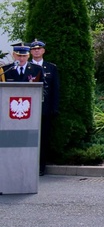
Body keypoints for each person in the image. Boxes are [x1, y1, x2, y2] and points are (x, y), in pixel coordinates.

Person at [28, 39, 59, 175]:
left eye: (39, 49)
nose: (36, 51)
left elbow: (55, 90)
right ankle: (29, 165)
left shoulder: (51, 68)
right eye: (34, 49)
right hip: (28, 110)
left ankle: (41, 167)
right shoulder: (26, 67)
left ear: (43, 51)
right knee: (28, 138)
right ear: (30, 52)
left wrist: (54, 108)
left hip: (44, 109)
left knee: (43, 139)